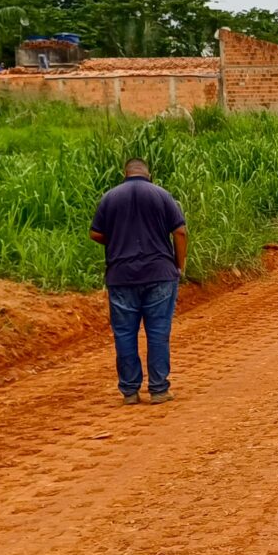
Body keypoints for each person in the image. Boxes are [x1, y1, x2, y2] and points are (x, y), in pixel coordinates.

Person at [89, 159, 187, 405]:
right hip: (159, 273)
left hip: (121, 275)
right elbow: (180, 231)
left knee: (124, 334)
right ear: (148, 174)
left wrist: (117, 241)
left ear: (125, 174)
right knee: (158, 332)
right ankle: (159, 389)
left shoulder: (110, 197)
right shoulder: (162, 195)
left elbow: (95, 233)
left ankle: (130, 392)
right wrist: (179, 264)